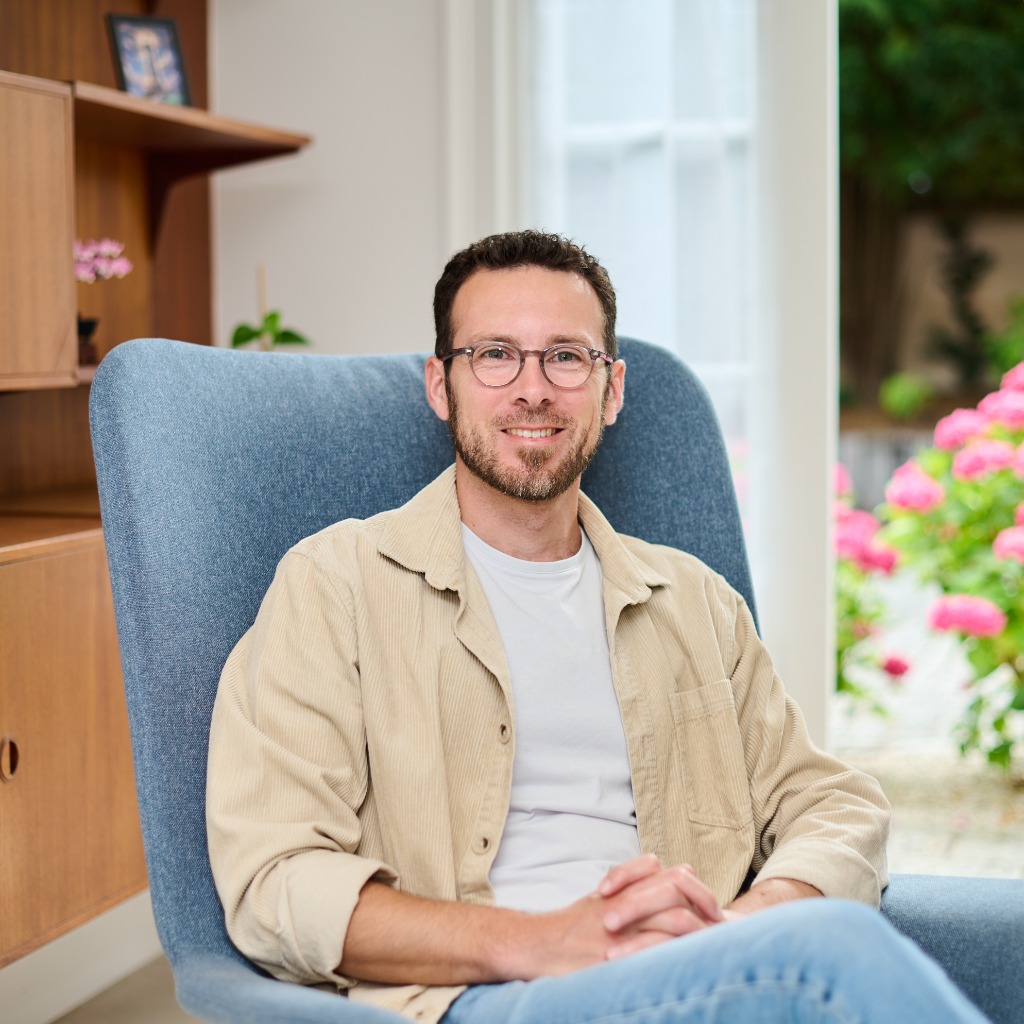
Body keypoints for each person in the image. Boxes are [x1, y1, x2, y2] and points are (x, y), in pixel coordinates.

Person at [206, 231, 988, 1024]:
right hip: (482, 997)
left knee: (822, 945)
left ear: (611, 389)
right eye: (495, 355)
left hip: (690, 982)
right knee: (834, 955)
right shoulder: (335, 585)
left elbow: (832, 801)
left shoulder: (693, 600)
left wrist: (746, 927)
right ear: (441, 385)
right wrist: (543, 941)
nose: (533, 390)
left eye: (566, 358)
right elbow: (275, 881)